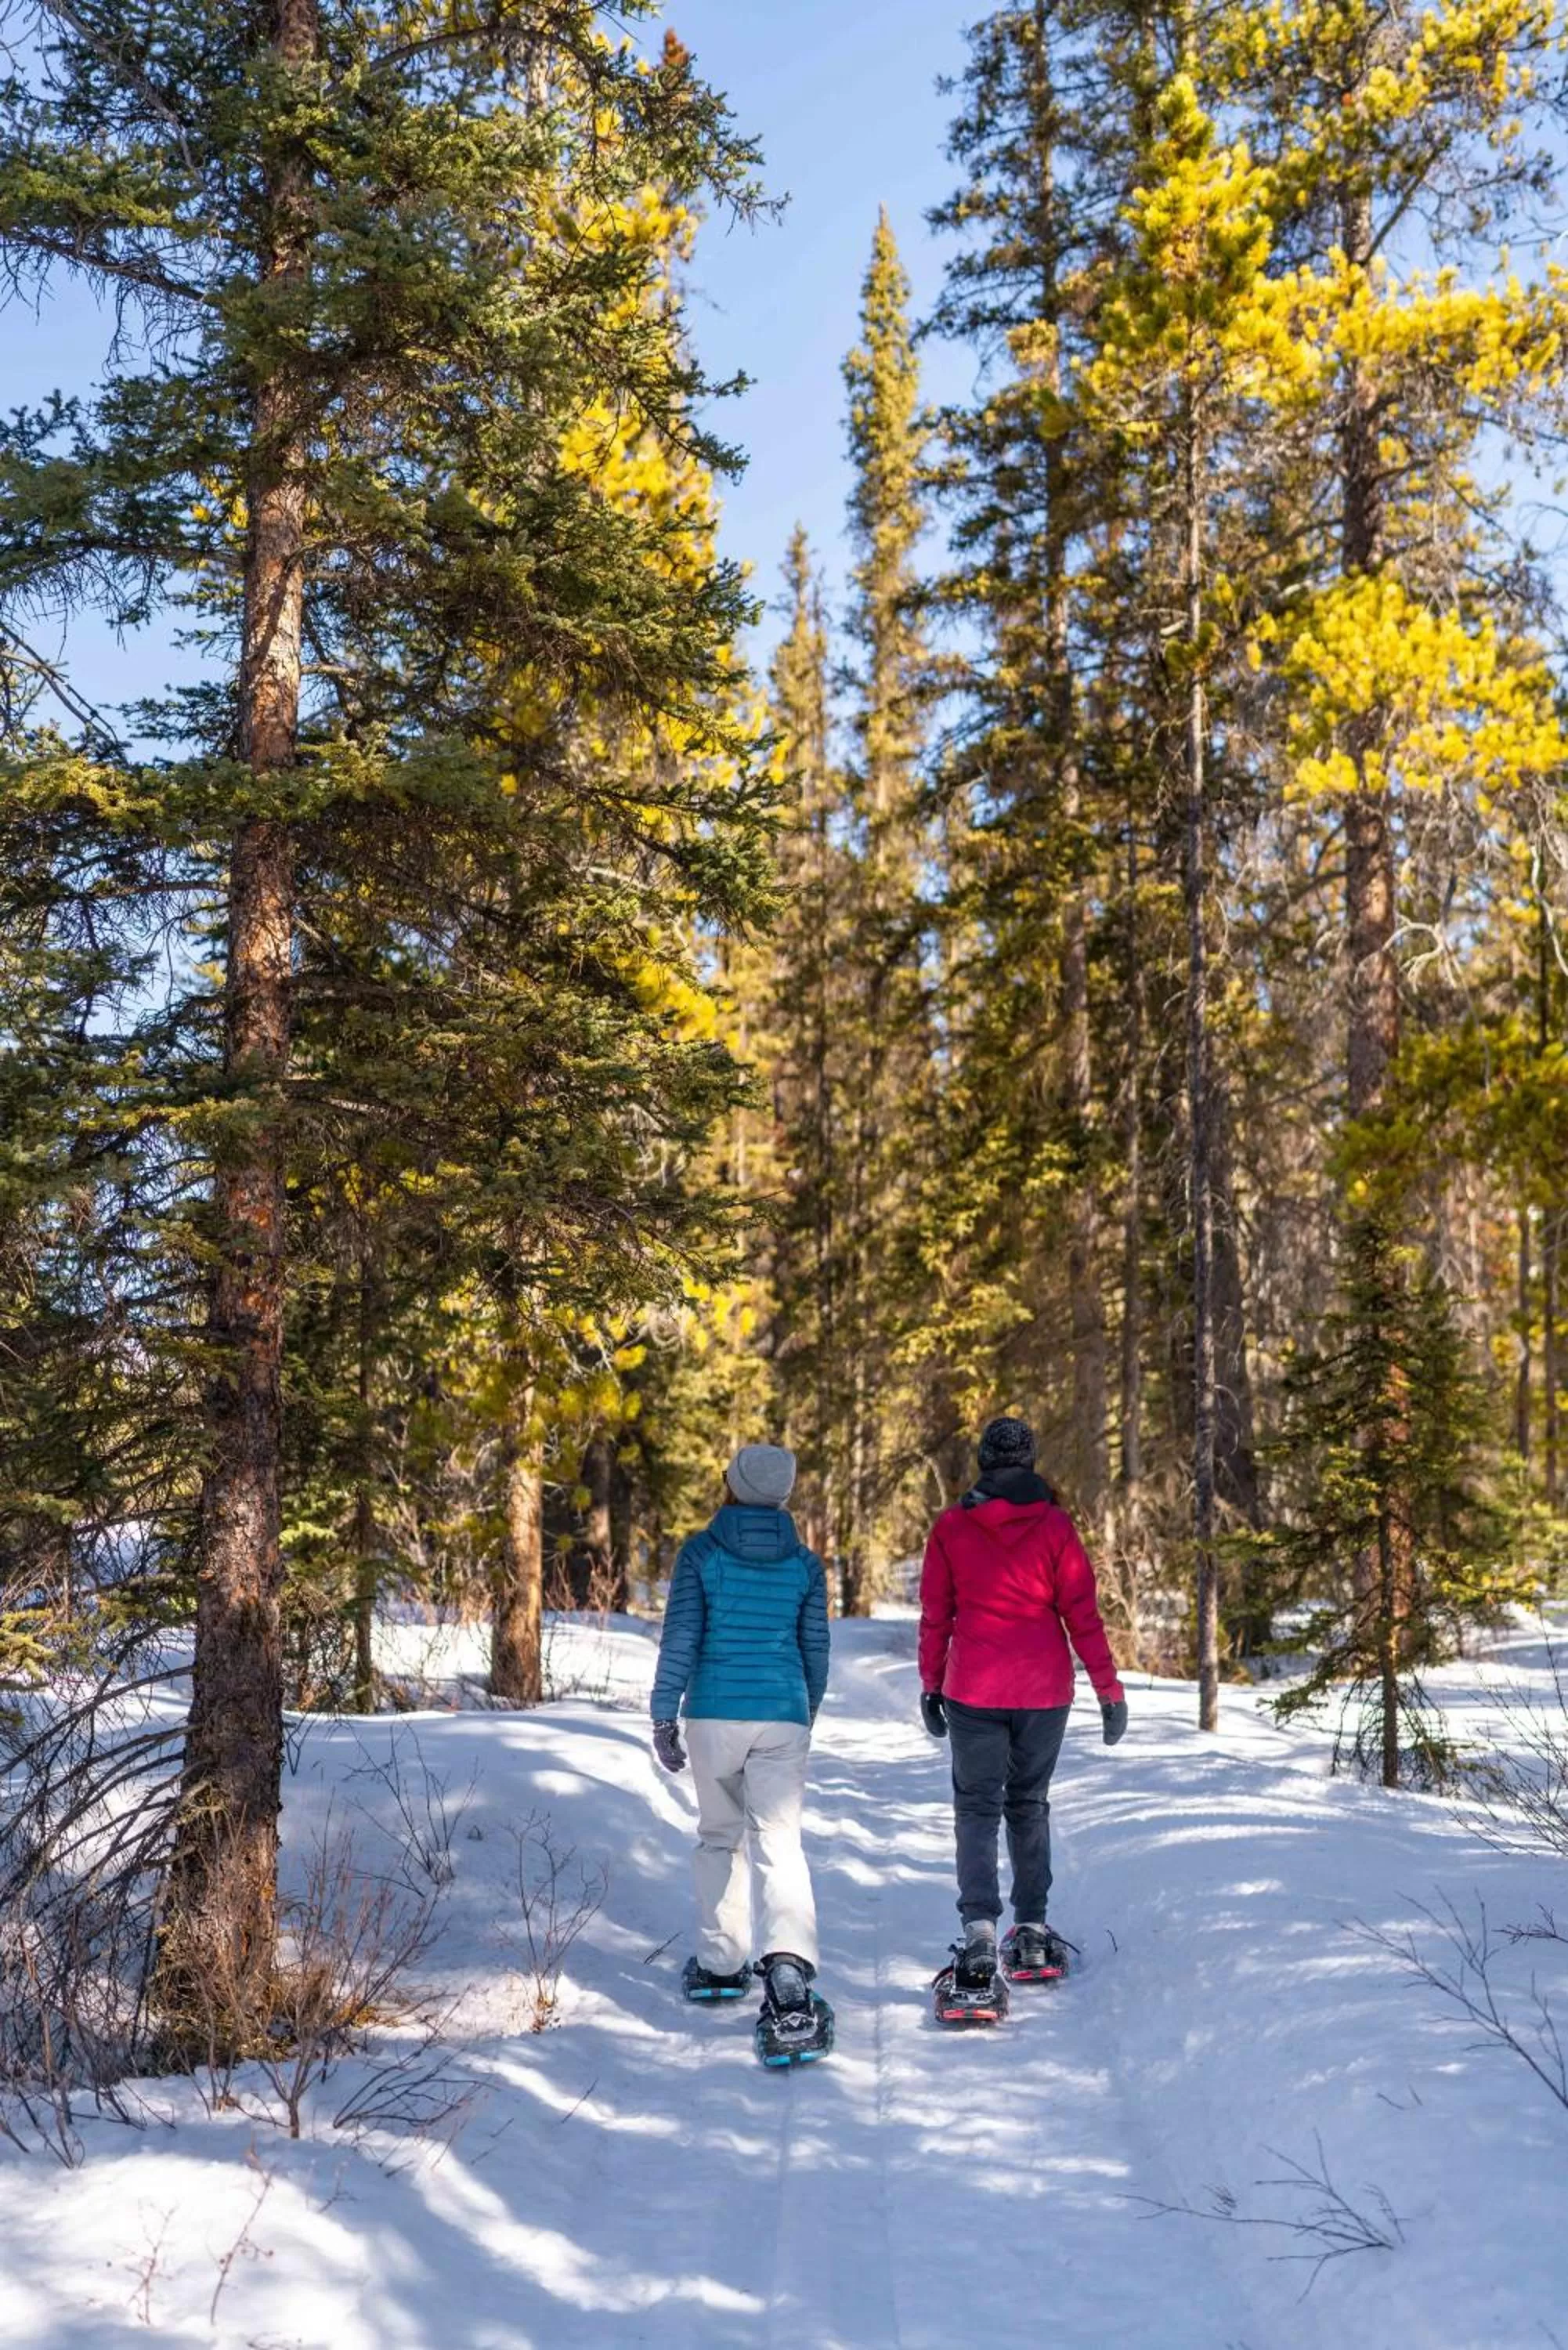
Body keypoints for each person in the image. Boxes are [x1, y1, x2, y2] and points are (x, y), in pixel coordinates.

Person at [919, 1415, 1127, 1987]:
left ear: (984, 1460)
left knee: (977, 1808)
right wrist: (1109, 1690)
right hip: (1042, 1690)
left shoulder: (953, 1527)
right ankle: (1031, 1928)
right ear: (1030, 1460)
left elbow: (938, 1615)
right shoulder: (1056, 1526)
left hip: (974, 1688)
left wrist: (931, 1683)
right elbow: (1082, 1615)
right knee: (1028, 1804)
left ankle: (980, 1932)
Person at [650, 1441, 833, 2059]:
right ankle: (786, 1973)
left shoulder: (701, 1553)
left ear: (730, 1485)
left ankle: (723, 1964)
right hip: (782, 1711)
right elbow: (816, 1650)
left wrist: (662, 1714)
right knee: (780, 1842)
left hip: (712, 1714)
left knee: (720, 1835)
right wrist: (805, 1710)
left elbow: (681, 1636)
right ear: (784, 1494)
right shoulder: (804, 1563)